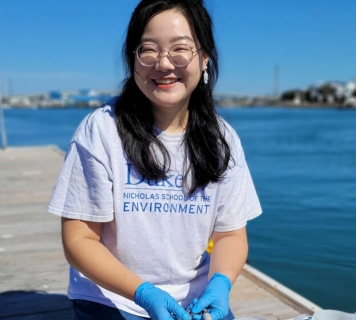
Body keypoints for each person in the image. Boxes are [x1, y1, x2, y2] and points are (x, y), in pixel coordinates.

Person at [47, 0, 262, 319]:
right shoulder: (103, 130)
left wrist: (220, 283)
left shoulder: (221, 139)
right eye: (148, 49)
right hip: (113, 298)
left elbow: (230, 234)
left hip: (195, 299)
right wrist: (142, 293)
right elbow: (79, 239)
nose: (163, 63)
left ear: (204, 58)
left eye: (180, 49)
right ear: (132, 59)